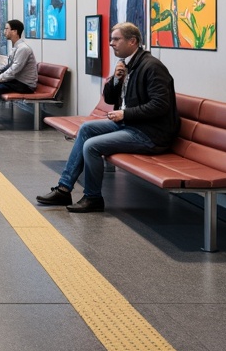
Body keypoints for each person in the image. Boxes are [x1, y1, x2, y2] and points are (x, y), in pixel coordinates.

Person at [36, 21, 178, 212]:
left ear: (132, 41)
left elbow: (160, 105)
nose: (111, 43)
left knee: (92, 146)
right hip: (131, 125)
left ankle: (93, 197)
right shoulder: (128, 64)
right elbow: (110, 98)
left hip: (149, 134)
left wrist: (125, 113)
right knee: (86, 129)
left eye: (116, 39)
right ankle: (64, 188)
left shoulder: (152, 67)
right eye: (111, 39)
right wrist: (117, 80)